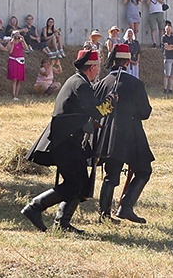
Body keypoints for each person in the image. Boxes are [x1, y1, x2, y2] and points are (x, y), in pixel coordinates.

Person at [23, 49, 116, 233]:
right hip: (66, 141)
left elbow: (80, 113)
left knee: (80, 183)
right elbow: (97, 110)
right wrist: (110, 101)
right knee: (76, 183)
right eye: (96, 67)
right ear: (91, 68)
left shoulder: (76, 81)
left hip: (69, 139)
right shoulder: (81, 84)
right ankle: (35, 208)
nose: (97, 70)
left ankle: (62, 223)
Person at [94, 44, 153, 224]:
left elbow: (95, 110)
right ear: (128, 61)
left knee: (111, 175)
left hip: (107, 134)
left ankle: (104, 214)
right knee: (144, 170)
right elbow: (145, 112)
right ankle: (126, 206)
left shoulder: (102, 83)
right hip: (132, 134)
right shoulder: (136, 84)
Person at [7, 30, 28, 101]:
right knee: (14, 79)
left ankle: (17, 94)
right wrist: (13, 42)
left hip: (20, 61)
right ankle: (13, 95)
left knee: (19, 79)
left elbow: (26, 48)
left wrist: (23, 40)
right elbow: (10, 51)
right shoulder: (10, 42)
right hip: (13, 61)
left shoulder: (21, 43)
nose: (17, 36)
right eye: (16, 35)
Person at [161, 24, 173, 95]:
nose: (169, 30)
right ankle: (165, 89)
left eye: (170, 29)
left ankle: (170, 89)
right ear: (165, 30)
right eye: (167, 29)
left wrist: (172, 46)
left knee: (172, 75)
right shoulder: (164, 37)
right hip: (168, 57)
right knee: (167, 74)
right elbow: (167, 47)